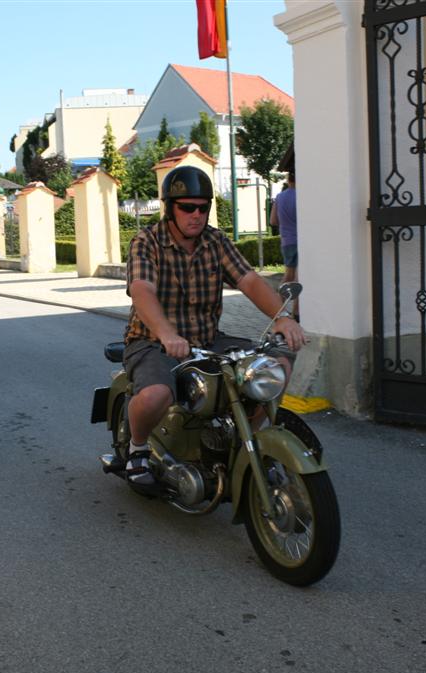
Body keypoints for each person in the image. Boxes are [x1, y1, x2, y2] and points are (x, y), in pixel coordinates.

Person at [121, 166, 306, 488]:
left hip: (207, 340)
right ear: (170, 208)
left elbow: (249, 280)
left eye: (203, 207)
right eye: (187, 207)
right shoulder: (146, 241)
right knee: (155, 395)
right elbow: (142, 290)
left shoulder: (215, 241)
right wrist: (166, 333)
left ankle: (245, 441)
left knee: (275, 366)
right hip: (152, 340)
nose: (196, 214)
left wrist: (283, 318)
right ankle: (136, 448)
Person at [269, 170, 298, 317]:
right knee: (300, 278)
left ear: (288, 180)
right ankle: (297, 311)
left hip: (287, 240)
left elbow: (273, 221)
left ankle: (278, 309)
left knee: (288, 276)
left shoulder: (280, 197)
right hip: (301, 240)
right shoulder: (302, 196)